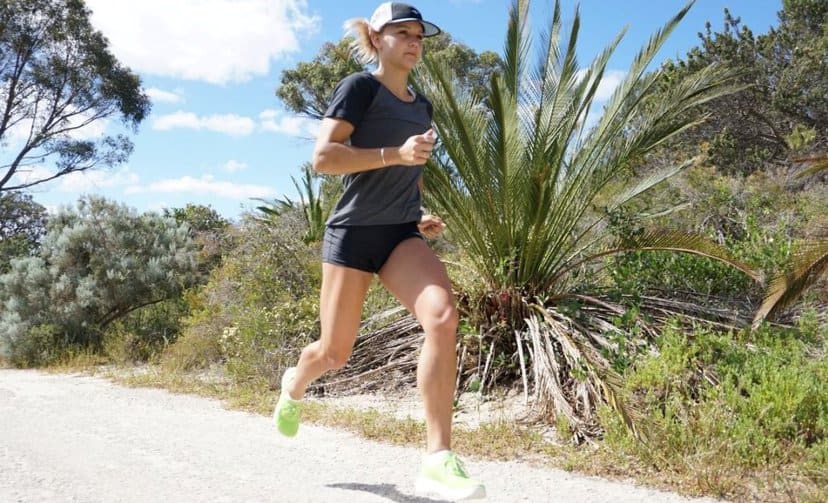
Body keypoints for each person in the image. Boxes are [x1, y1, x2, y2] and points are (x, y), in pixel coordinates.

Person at [272, 2, 486, 500]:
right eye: (402, 33)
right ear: (376, 38)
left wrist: (417, 209)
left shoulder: (421, 107)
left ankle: (438, 459)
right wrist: (395, 154)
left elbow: (414, 170)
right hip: (352, 234)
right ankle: (294, 383)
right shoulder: (359, 88)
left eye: (419, 36)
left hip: (398, 234)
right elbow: (323, 158)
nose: (413, 42)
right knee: (334, 353)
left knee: (442, 317)